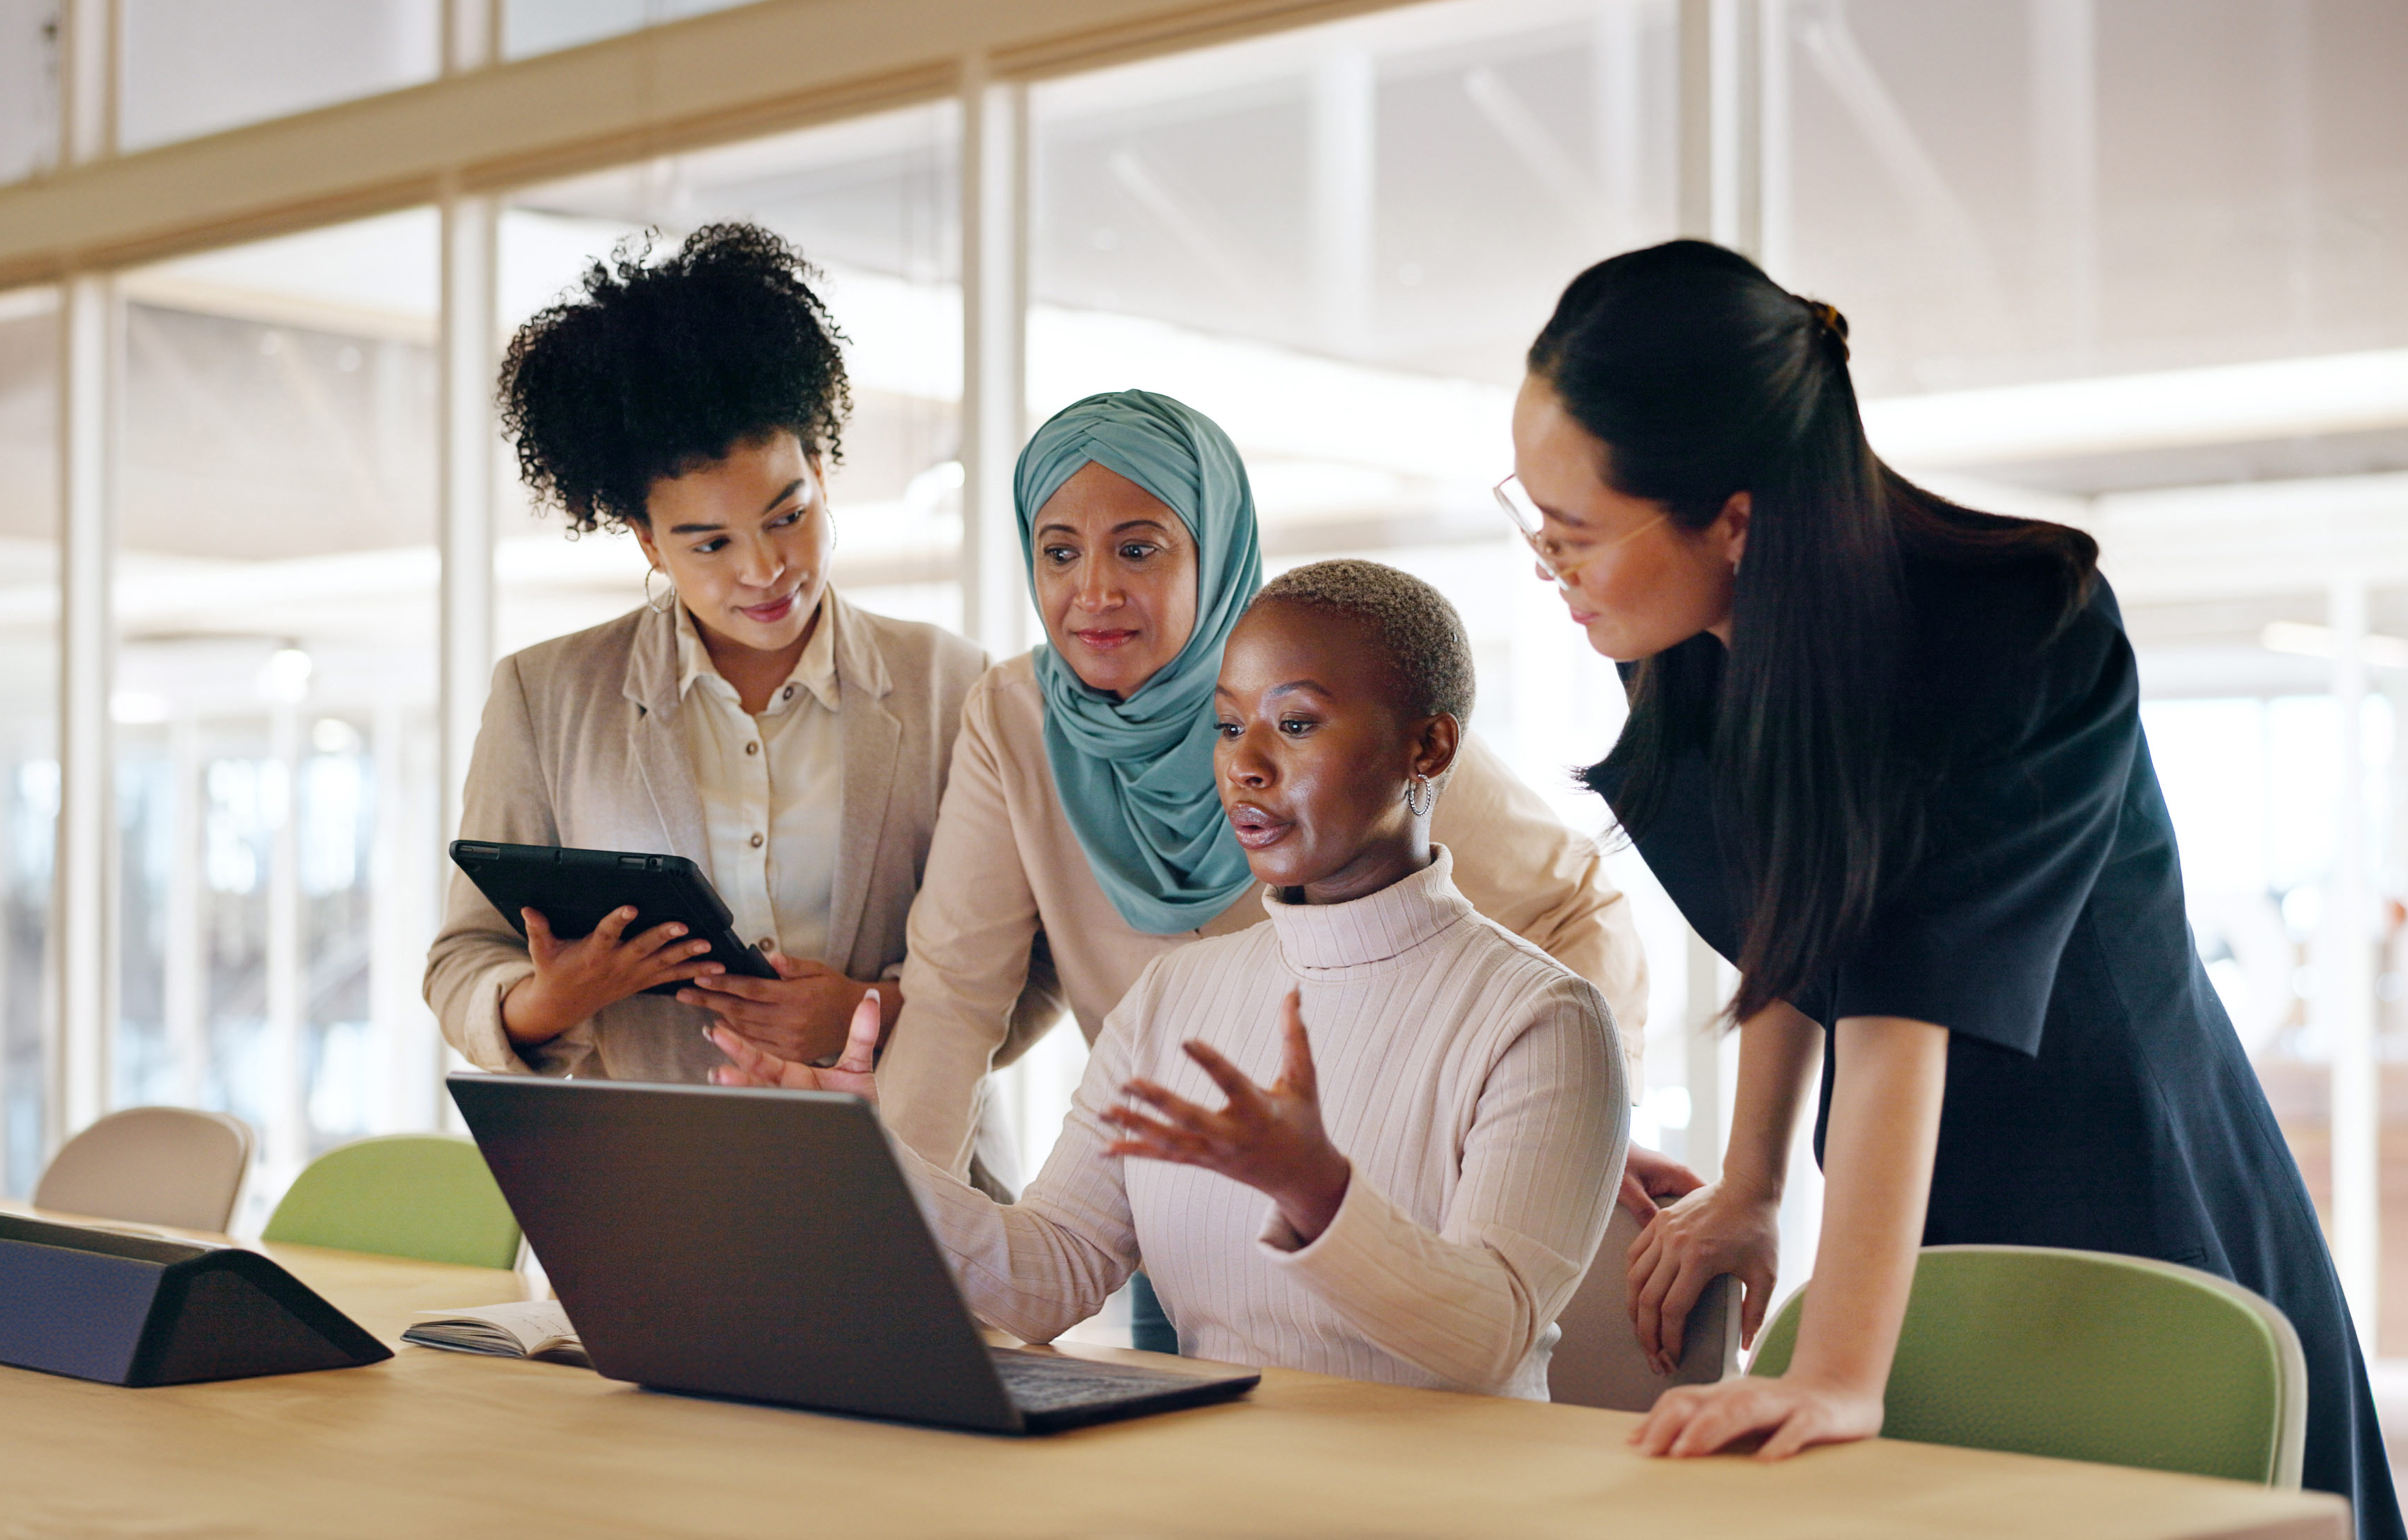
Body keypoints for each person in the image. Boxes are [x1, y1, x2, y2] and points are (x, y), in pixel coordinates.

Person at [1509, 240, 2400, 1535]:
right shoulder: (1687, 636)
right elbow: (1799, 927)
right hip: (1907, 1196)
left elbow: (1900, 1003)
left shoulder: (2023, 630)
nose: (1549, 563)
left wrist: (1835, 1375)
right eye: (1530, 517)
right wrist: (1751, 1188)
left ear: (1738, 518)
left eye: (1576, 530)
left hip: (2125, 1189)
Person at [711, 561, 1627, 1398]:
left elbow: (1488, 1338)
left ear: (1428, 749)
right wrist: (865, 1159)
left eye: (1296, 724)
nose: (1247, 766)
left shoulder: (1542, 1018)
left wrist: (1316, 1191)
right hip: (1210, 1492)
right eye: (1230, 726)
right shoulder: (1175, 998)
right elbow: (1050, 1276)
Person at [868, 389, 1668, 1228]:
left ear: (1213, 551)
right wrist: (892, 1227)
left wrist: (1579, 1126)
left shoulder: (1325, 688)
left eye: (1139, 549)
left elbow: (1573, 901)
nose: (1093, 590)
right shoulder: (1016, 717)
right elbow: (954, 995)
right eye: (1058, 552)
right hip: (1177, 1192)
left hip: (1387, 1188)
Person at [423, 222, 993, 1097]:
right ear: (648, 542)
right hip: (652, 1188)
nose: (763, 570)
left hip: (908, 1178)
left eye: (787, 516)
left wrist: (868, 1012)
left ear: (821, 473)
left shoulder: (953, 684)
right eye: (709, 543)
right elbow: (464, 960)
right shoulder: (546, 697)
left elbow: (1022, 967)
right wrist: (549, 1000)